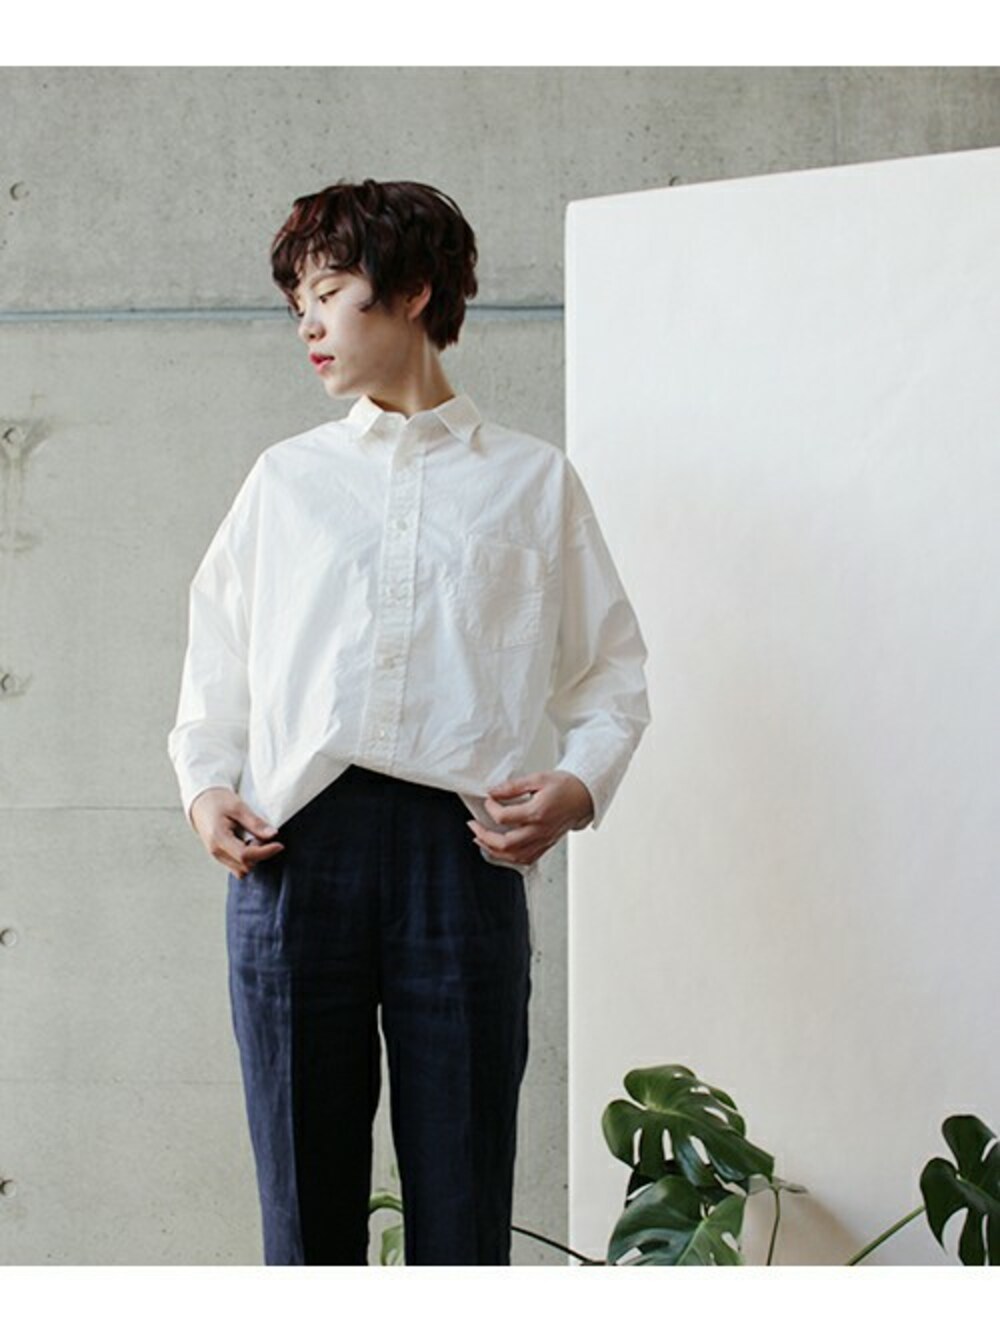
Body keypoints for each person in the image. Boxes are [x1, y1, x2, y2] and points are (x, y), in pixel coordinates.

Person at [167, 178, 650, 1266]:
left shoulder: (533, 483)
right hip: (295, 853)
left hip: (461, 858)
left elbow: (611, 674)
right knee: (305, 1216)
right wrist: (205, 788)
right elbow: (216, 663)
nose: (308, 323)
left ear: (414, 291)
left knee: (462, 1210)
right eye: (299, 301)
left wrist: (577, 787)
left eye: (329, 292)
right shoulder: (286, 482)